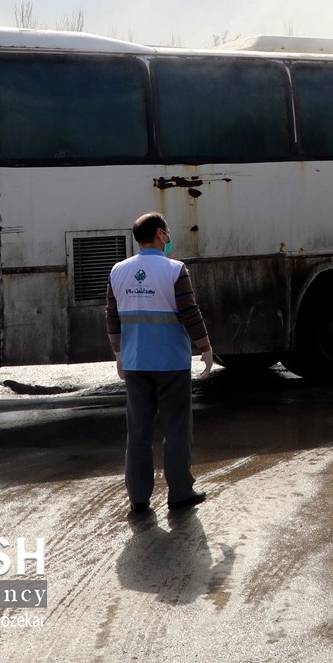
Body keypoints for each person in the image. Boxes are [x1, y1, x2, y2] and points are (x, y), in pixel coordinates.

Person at [106, 212, 214, 516]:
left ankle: (138, 500)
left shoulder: (118, 271)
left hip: (136, 362)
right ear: (159, 234)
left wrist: (118, 355)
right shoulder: (174, 270)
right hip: (171, 363)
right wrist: (205, 348)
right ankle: (180, 493)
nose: (168, 237)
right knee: (177, 429)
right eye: (166, 232)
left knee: (138, 431)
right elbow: (189, 313)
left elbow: (112, 319)